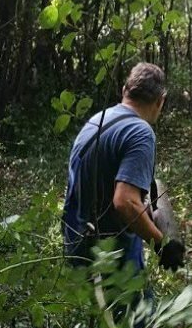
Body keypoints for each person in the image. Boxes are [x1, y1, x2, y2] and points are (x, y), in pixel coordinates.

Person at [62, 62, 185, 288]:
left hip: (78, 247)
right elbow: (124, 202)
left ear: (124, 91)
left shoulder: (98, 120)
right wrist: (162, 245)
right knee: (136, 320)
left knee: (101, 320)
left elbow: (99, 188)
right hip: (111, 258)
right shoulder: (140, 132)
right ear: (160, 101)